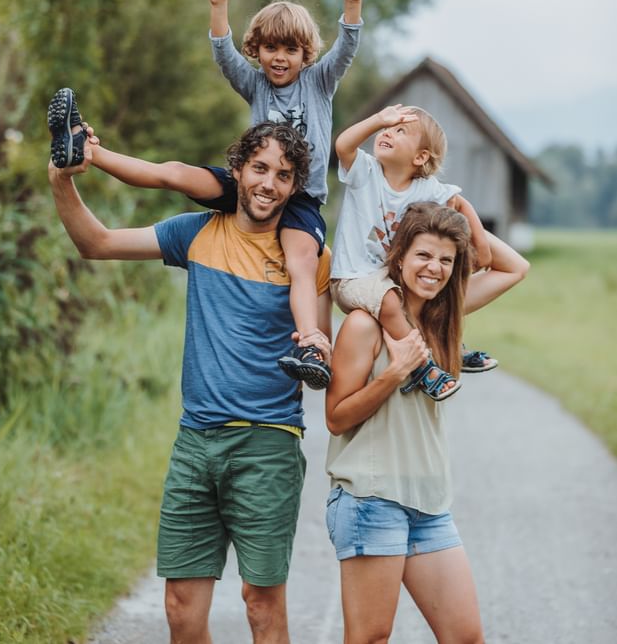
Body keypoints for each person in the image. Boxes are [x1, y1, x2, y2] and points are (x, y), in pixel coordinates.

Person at [48, 118, 332, 644]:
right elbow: (97, 243)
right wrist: (61, 179)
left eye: (284, 175)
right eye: (260, 168)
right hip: (195, 443)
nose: (269, 184)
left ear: (295, 187)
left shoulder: (307, 256)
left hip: (268, 444)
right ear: (237, 170)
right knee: (180, 608)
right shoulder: (196, 233)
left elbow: (320, 349)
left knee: (261, 604)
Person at [56, 0, 375, 391]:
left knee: (302, 263)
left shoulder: (319, 82)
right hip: (251, 182)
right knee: (175, 173)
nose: (279, 58)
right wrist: (218, 5)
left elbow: (347, 49)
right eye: (270, 48)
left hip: (300, 198)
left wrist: (353, 3)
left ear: (306, 55)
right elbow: (224, 55)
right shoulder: (255, 84)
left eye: (290, 50)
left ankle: (310, 346)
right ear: (257, 50)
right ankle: (88, 150)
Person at [325, 201, 530, 643]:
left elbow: (514, 267)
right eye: (423, 255)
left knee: (464, 636)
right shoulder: (364, 324)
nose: (434, 268)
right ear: (399, 257)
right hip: (371, 497)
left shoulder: (441, 317)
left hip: (429, 503)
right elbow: (336, 418)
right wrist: (395, 373)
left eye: (446, 260)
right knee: (370, 637)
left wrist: (460, 206)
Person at [330, 103, 497, 402]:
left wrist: (481, 247)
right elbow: (343, 145)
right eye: (386, 129)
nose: (387, 132)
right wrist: (377, 119)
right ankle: (423, 368)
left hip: (389, 280)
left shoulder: (426, 189)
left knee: (434, 292)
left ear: (420, 157)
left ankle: (449, 345)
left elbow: (459, 204)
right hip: (351, 279)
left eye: (400, 130)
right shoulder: (365, 171)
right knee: (391, 301)